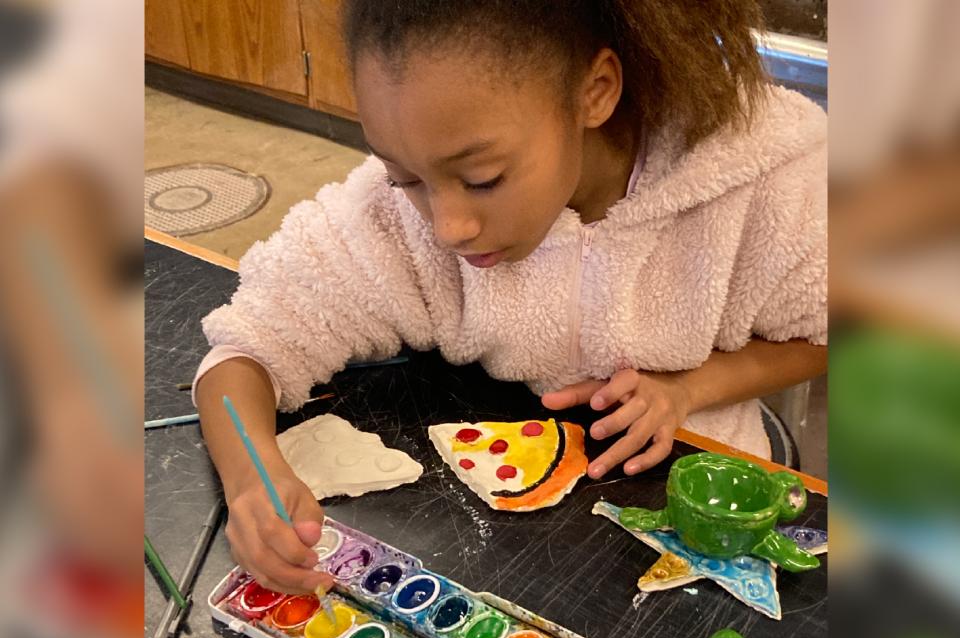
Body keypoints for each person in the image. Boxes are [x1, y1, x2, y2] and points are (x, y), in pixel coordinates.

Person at [195, 1, 827, 594]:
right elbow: (244, 350)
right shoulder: (393, 218)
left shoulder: (755, 180)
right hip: (508, 538)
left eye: (482, 179)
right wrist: (252, 481)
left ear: (595, 91)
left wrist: (690, 387)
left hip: (705, 514)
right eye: (405, 176)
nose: (446, 227)